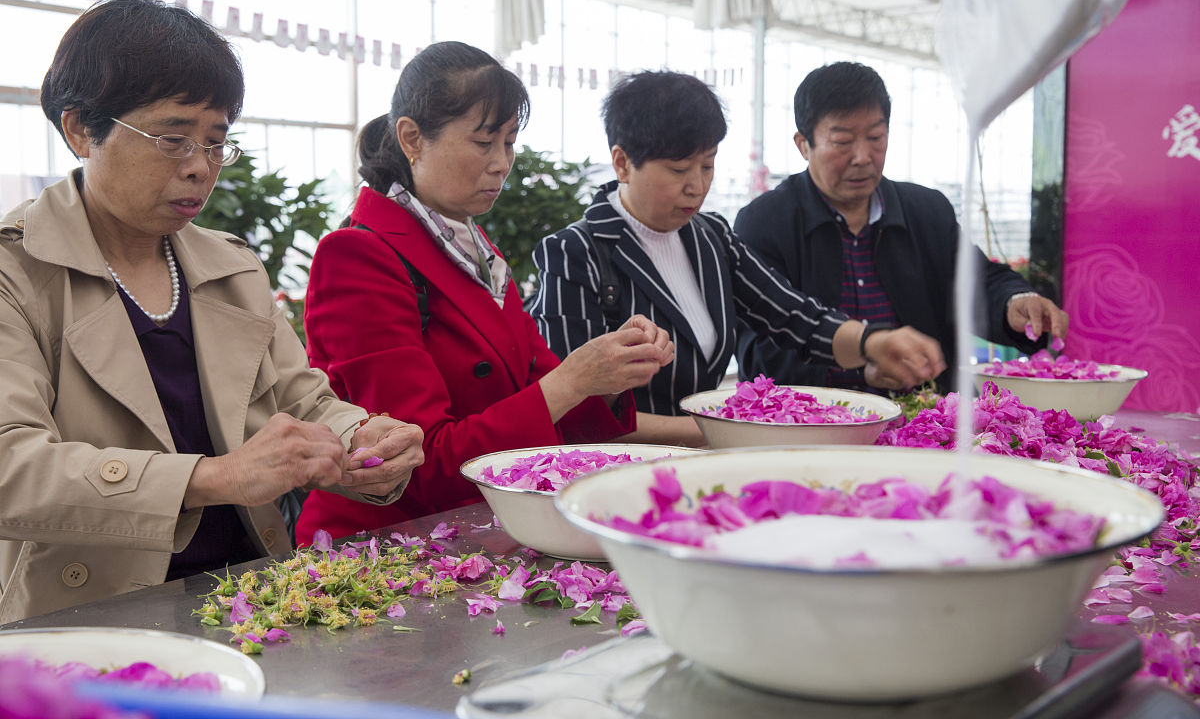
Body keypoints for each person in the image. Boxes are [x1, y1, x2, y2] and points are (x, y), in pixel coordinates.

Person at [0, 0, 424, 623]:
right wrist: (214, 478)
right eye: (172, 139)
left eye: (217, 141)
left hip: (248, 599)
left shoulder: (229, 266)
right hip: (85, 617)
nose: (200, 167)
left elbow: (302, 402)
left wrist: (360, 440)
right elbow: (12, 467)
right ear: (81, 130)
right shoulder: (18, 272)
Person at [295, 42, 673, 545]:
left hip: (470, 533)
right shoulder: (359, 256)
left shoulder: (475, 250)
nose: (501, 164)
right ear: (412, 139)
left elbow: (541, 392)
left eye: (510, 143)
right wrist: (572, 380)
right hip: (385, 548)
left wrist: (605, 373)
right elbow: (416, 460)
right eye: (483, 143)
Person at [528, 71, 945, 446]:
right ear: (622, 162)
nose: (697, 186)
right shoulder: (575, 253)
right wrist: (722, 431)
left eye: (707, 166)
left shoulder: (711, 238)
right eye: (678, 170)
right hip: (625, 472)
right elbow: (578, 409)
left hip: (710, 461)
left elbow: (791, 315)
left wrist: (874, 341)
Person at [734, 61, 1069, 393]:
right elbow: (758, 355)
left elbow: (980, 282)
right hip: (815, 426)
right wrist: (861, 371)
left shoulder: (926, 211)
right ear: (803, 144)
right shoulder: (765, 224)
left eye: (876, 137)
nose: (863, 156)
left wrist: (1015, 302)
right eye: (842, 141)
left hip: (926, 418)